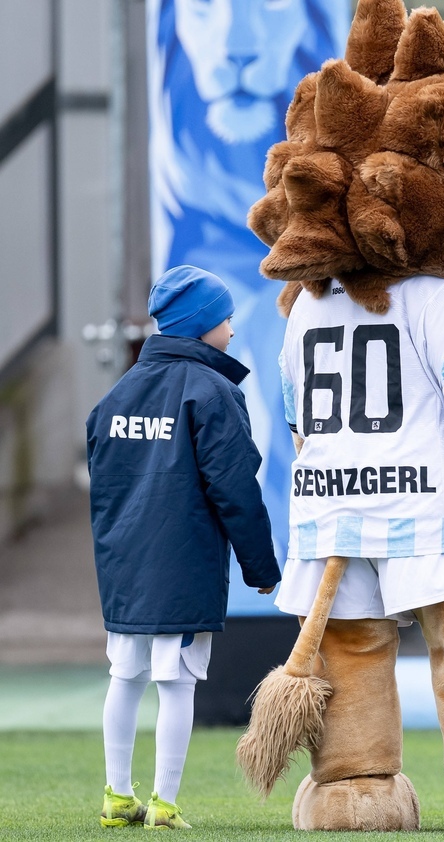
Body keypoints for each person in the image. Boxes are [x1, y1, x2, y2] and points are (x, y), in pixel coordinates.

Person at [86, 265, 281, 830]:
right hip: (185, 561)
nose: (233, 330)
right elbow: (236, 489)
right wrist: (260, 567)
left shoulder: (118, 392)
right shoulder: (214, 392)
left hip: (125, 563)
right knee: (176, 684)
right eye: (225, 318)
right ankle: (165, 807)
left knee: (124, 677)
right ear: (200, 327)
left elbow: (104, 482)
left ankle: (117, 798)